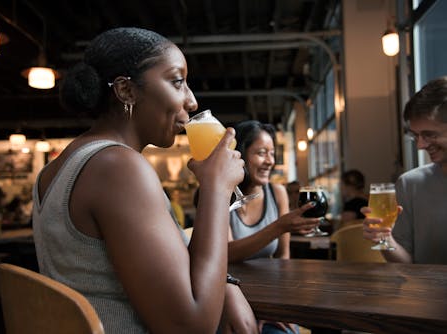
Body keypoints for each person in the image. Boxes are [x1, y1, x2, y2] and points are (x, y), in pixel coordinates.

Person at [32, 27, 258, 333]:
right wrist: (216, 190)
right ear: (126, 91)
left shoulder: (57, 168)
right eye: (178, 81)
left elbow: (159, 262)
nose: (191, 101)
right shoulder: (117, 167)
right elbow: (192, 327)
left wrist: (226, 282)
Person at [227, 120, 322, 334]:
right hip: (230, 298)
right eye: (261, 153)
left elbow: (283, 259)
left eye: (272, 153)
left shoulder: (277, 193)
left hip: (269, 297)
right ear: (240, 154)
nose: (270, 161)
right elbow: (225, 253)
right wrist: (279, 227)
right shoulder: (221, 193)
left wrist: (276, 308)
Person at [362, 76, 447, 264]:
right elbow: (405, 264)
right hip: (424, 293)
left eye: (429, 135)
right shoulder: (410, 184)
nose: (420, 145)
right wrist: (384, 238)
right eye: (416, 136)